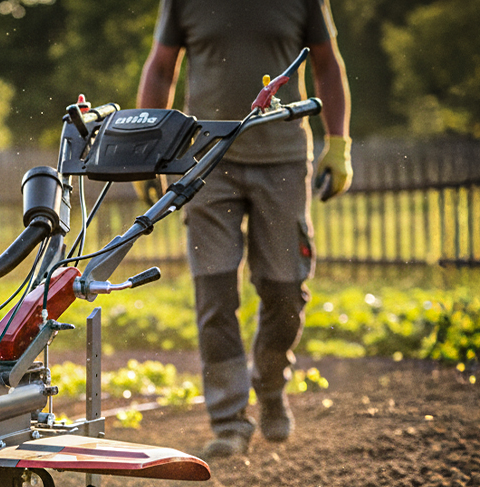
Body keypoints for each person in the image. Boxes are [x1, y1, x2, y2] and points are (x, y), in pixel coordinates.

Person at [136, 0, 352, 458]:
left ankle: (271, 386)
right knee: (214, 292)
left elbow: (328, 65)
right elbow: (160, 69)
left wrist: (340, 142)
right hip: (207, 160)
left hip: (284, 160)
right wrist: (146, 150)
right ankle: (229, 419)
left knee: (285, 290)